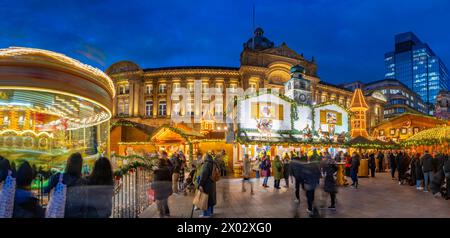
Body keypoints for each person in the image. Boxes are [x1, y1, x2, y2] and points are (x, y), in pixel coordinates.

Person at [45, 152, 87, 218]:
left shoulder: (57, 177)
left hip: (57, 214)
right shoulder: (83, 182)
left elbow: (45, 190)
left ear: (68, 163)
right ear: (80, 166)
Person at [198, 154, 217, 218]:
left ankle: (206, 214)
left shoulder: (206, 164)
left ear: (205, 158)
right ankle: (211, 212)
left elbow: (204, 175)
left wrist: (200, 184)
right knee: (211, 198)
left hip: (207, 184)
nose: (202, 158)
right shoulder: (214, 163)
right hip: (212, 183)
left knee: (206, 198)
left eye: (203, 157)